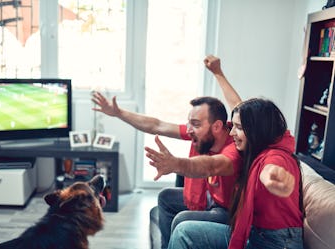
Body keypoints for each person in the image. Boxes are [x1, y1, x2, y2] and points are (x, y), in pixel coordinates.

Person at [91, 55, 242, 249]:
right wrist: (119, 113)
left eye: (195, 124)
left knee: (183, 219)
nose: (188, 130)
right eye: (189, 123)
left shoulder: (234, 148)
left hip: (228, 212)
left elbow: (212, 165)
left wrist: (176, 164)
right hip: (213, 200)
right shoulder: (200, 135)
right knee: (166, 197)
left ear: (217, 126)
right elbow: (157, 125)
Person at [145, 98, 304, 249]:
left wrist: (272, 176)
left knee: (183, 231)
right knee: (178, 220)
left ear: (257, 129)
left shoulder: (276, 157)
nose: (232, 132)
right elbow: (239, 106)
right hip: (254, 232)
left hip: (276, 243)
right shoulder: (256, 150)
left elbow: (270, 168)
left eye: (239, 128)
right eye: (234, 126)